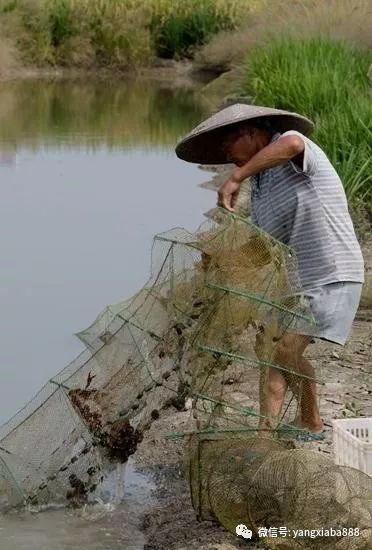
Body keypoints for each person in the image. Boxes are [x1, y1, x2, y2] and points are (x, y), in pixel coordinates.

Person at [175, 103, 364, 438]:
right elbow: (263, 251)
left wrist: (236, 177)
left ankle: (312, 421)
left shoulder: (291, 146)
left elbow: (292, 145)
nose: (226, 154)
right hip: (299, 283)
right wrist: (220, 260)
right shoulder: (261, 188)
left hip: (331, 274)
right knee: (271, 350)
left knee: (286, 351)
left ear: (251, 132)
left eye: (228, 145)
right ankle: (267, 433)